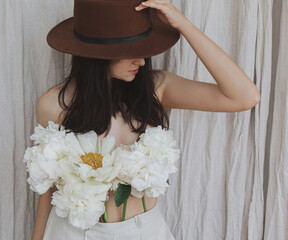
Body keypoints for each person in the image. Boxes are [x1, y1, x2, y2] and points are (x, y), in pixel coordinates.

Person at [30, 0, 261, 239]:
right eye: (131, 51)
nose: (141, 61)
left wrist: (182, 24)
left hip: (145, 232)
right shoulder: (54, 104)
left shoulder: (156, 88)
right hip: (73, 233)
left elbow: (245, 97)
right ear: (96, 54)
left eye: (143, 49)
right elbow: (47, 189)